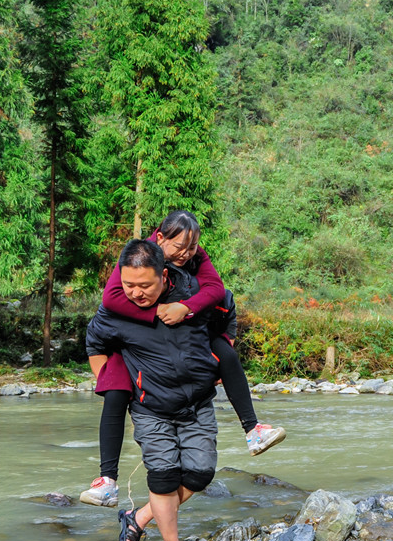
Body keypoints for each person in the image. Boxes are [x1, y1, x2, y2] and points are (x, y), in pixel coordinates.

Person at [80, 210, 285, 508]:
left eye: (192, 248)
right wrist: (154, 315)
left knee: (226, 354)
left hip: (186, 342)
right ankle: (107, 480)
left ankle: (253, 429)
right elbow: (111, 302)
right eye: (179, 248)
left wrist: (186, 309)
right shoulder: (139, 258)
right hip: (132, 345)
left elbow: (219, 294)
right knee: (114, 393)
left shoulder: (189, 264)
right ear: (160, 238)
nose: (186, 254)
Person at [85, 238, 218, 541]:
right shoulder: (116, 311)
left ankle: (139, 517)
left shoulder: (189, 294)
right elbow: (94, 344)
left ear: (164, 275)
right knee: (163, 476)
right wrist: (115, 382)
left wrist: (217, 362)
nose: (136, 293)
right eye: (128, 285)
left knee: (200, 474)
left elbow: (222, 319)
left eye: (145, 285)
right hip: (150, 408)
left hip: (197, 403)